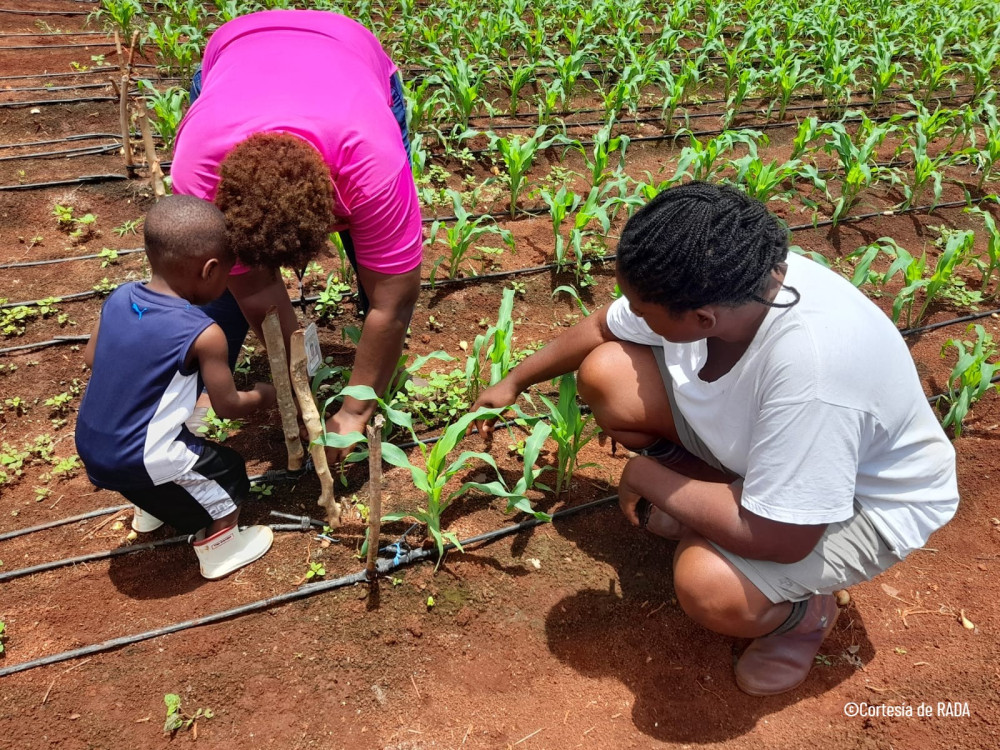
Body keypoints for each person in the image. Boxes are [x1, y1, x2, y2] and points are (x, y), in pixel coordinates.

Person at [472, 182, 959, 696]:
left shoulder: (815, 371)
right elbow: (602, 327)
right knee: (608, 375)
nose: (631, 313)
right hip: (773, 448)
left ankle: (802, 617)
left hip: (858, 505)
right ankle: (720, 505)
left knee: (709, 584)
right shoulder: (725, 286)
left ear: (703, 319)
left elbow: (782, 537)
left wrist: (647, 475)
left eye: (643, 309)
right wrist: (513, 381)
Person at [171, 9, 421, 460]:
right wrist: (302, 384)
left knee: (378, 277)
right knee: (218, 279)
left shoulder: (373, 169)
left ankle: (379, 372)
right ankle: (210, 378)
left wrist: (353, 413)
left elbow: (394, 298)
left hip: (350, 53)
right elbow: (252, 288)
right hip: (234, 50)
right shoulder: (199, 170)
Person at [75, 195, 278, 580]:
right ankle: (220, 546)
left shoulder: (120, 297)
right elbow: (229, 406)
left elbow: (91, 359)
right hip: (141, 457)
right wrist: (265, 395)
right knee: (229, 472)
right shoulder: (203, 333)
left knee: (169, 445)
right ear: (210, 270)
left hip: (91, 444)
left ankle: (151, 509)